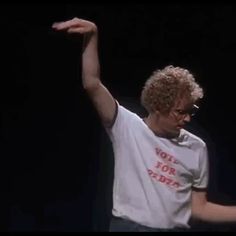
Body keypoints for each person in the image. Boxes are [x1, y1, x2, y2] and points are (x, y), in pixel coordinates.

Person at [52, 17, 236, 232]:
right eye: (180, 112)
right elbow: (92, 83)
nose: (187, 119)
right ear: (159, 106)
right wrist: (92, 36)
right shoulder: (127, 126)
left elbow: (199, 209)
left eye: (191, 112)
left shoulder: (196, 147)